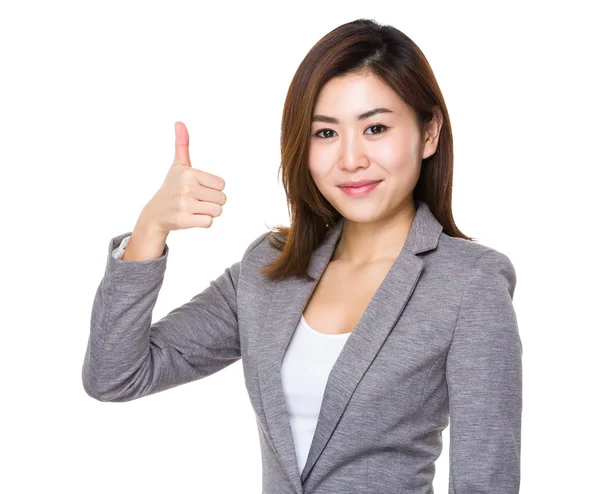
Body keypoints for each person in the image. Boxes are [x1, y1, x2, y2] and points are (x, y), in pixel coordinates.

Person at [82, 18, 522, 493]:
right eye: (326, 133)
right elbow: (115, 376)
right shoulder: (270, 268)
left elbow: (486, 482)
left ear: (429, 132)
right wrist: (152, 226)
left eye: (375, 127)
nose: (350, 159)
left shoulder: (469, 283)